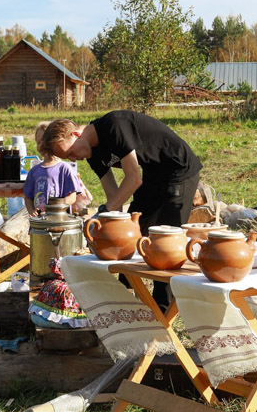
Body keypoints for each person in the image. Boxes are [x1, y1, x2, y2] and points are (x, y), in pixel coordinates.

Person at [44, 110, 202, 307]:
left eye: (70, 153)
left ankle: (162, 309)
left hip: (179, 170)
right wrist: (105, 227)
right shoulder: (92, 153)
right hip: (153, 175)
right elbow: (114, 198)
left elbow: (133, 178)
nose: (74, 159)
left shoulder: (114, 126)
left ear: (75, 134)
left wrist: (103, 212)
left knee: (165, 244)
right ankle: (125, 301)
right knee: (132, 237)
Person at [25, 121, 88, 216]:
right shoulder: (34, 171)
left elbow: (72, 196)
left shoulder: (64, 168)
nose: (42, 145)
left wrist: (54, 208)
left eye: (44, 141)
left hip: (59, 221)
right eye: (38, 142)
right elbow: (28, 197)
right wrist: (31, 212)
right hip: (39, 224)